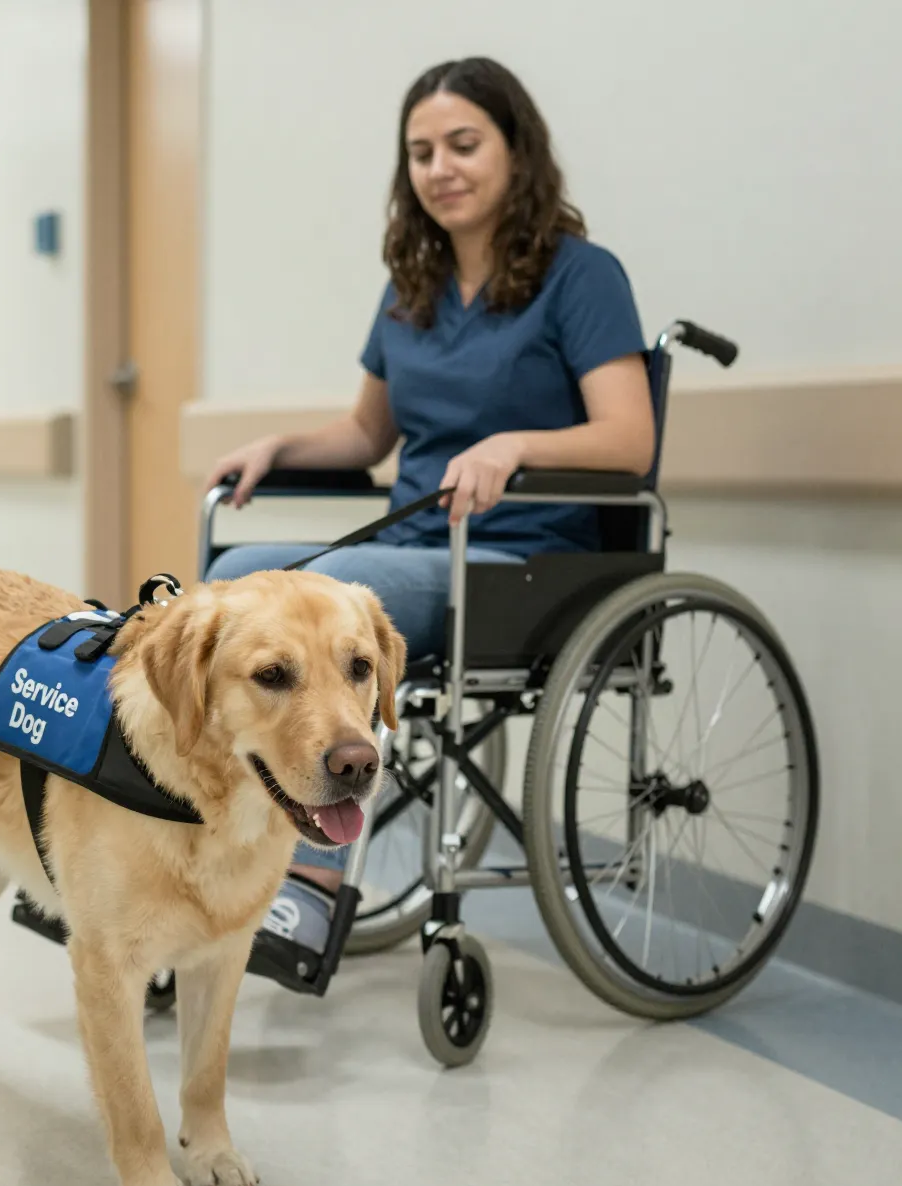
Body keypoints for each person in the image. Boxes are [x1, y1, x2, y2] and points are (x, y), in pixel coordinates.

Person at [203, 56, 656, 956]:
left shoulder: (581, 276)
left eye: (463, 144)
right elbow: (369, 434)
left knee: (317, 598)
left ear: (516, 152)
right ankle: (216, 859)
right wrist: (281, 449)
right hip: (411, 550)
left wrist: (518, 445)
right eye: (420, 152)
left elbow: (629, 440)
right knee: (229, 582)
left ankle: (305, 886)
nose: (440, 167)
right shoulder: (409, 287)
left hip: (519, 562)